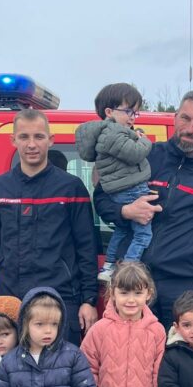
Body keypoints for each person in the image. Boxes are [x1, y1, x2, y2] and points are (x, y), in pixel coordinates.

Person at [92, 91, 193, 327]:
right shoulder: (143, 155)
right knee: (128, 347)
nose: (190, 128)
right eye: (185, 118)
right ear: (175, 118)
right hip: (131, 280)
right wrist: (126, 212)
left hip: (181, 285)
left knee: (177, 349)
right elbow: (102, 199)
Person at [0, 109, 99, 345]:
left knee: (59, 367)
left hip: (59, 299)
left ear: (51, 140)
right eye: (24, 137)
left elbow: (86, 247)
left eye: (38, 136)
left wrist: (89, 300)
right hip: (10, 298)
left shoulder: (71, 187)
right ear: (13, 140)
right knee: (10, 366)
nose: (31, 144)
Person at [75, 83, 153, 283]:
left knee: (123, 229)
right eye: (128, 111)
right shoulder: (114, 134)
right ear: (109, 112)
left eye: (135, 113)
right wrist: (145, 140)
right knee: (143, 234)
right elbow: (136, 153)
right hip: (132, 191)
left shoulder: (111, 135)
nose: (133, 117)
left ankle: (109, 265)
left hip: (122, 191)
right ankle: (128, 269)